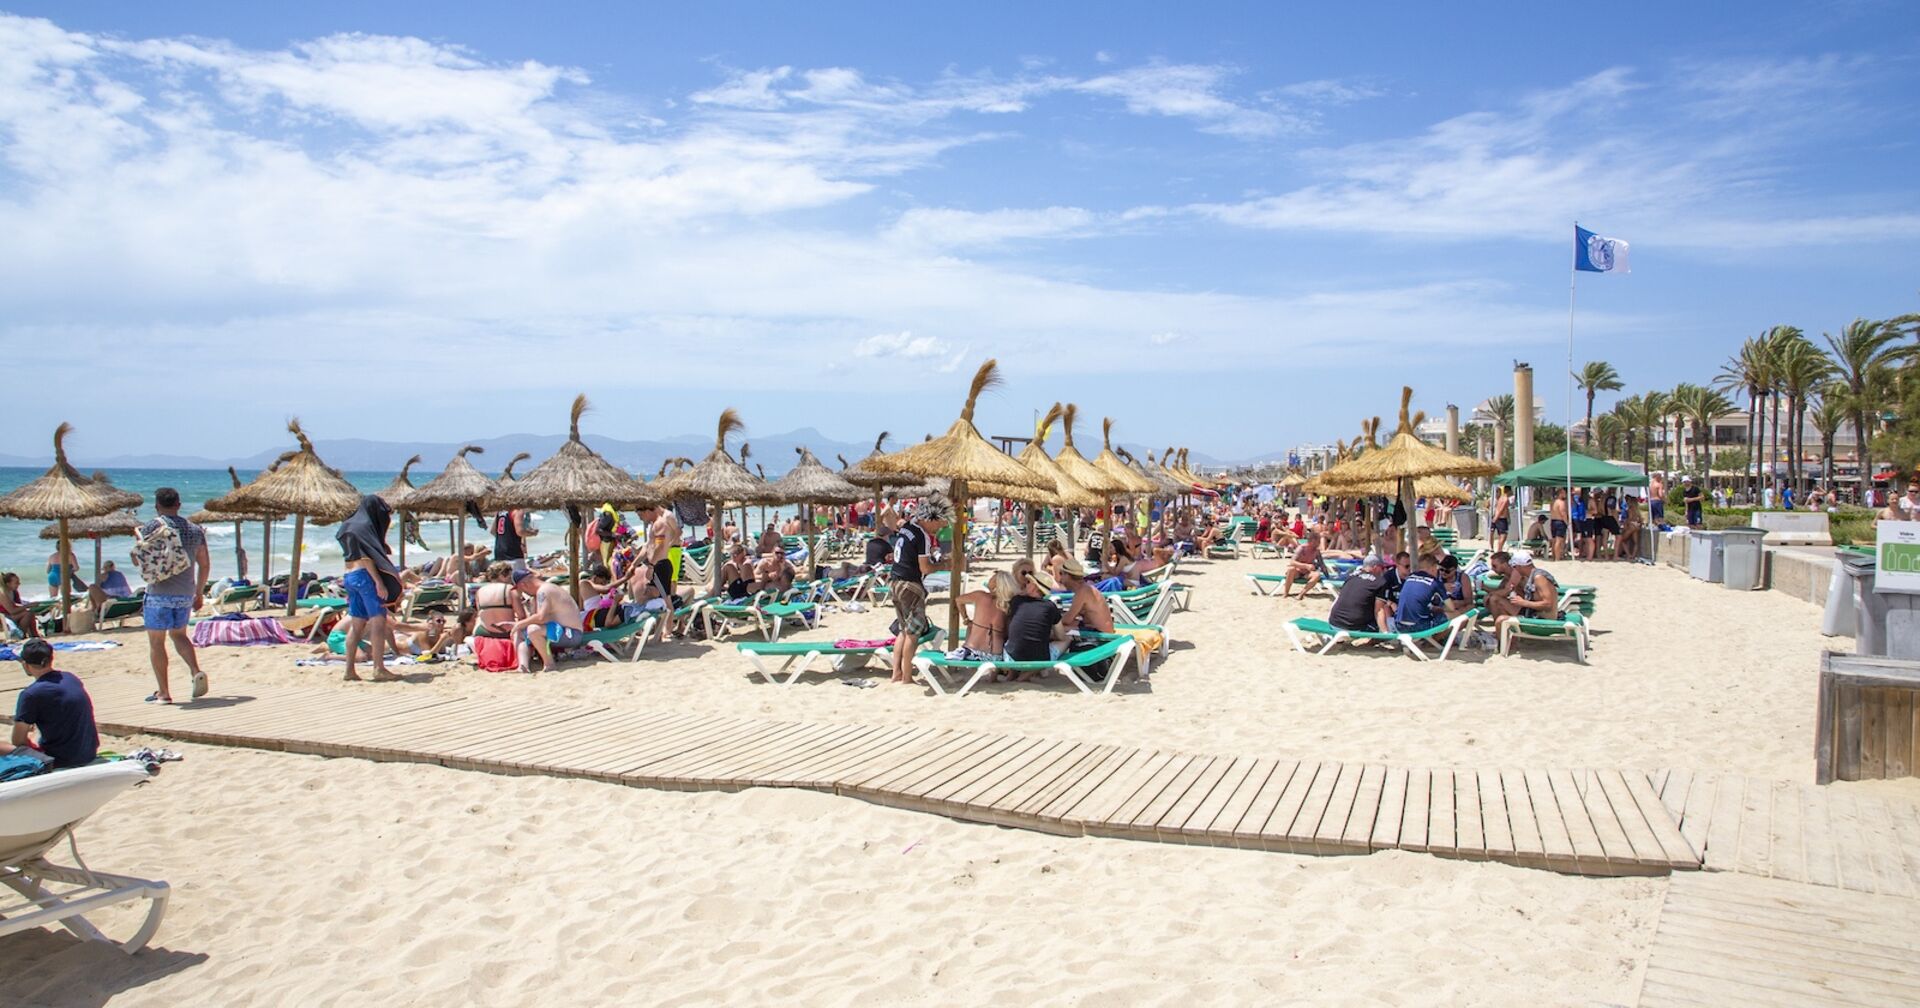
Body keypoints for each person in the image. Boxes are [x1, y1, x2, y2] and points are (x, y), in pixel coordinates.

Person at [139, 488, 210, 704]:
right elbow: (204, 564)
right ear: (179, 505)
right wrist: (199, 592)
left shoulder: (151, 527)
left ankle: (164, 693)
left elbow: (140, 560)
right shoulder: (195, 531)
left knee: (156, 642)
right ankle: (195, 671)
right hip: (185, 593)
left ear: (157, 506)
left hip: (159, 593)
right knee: (179, 635)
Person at [337, 494, 404, 684]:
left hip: (349, 576)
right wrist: (379, 582)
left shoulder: (348, 524)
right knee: (378, 621)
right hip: (365, 577)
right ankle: (378, 668)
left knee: (357, 624)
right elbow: (366, 556)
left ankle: (349, 670)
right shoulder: (364, 526)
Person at [887, 494, 950, 685]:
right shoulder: (923, 536)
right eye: (938, 525)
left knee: (903, 631)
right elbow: (925, 568)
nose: (938, 530)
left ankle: (896, 673)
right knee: (913, 633)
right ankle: (907, 677)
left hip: (895, 581)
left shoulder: (908, 526)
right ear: (931, 519)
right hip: (910, 585)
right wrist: (945, 565)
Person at [8, 639, 97, 770]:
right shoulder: (71, 678)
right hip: (89, 753)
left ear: (25, 665)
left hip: (59, 760)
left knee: (4, 748)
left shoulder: (31, 694)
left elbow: (18, 741)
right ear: (51, 659)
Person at [509, 568, 586, 673]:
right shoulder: (545, 589)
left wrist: (520, 624)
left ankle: (549, 664)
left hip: (572, 634)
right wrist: (518, 625)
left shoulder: (544, 591)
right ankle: (523, 666)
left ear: (524, 585)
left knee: (533, 630)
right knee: (520, 632)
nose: (524, 593)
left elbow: (541, 618)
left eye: (522, 590)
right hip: (561, 631)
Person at [636, 503, 683, 643]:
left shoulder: (660, 523)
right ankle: (656, 627)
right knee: (649, 594)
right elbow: (649, 546)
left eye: (641, 515)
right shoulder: (655, 524)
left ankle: (667, 631)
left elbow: (659, 546)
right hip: (659, 564)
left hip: (660, 565)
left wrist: (651, 565)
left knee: (666, 600)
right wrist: (634, 563)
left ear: (647, 511)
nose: (641, 519)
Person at [947, 570, 1013, 662]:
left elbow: (958, 600)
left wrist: (966, 618)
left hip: (973, 652)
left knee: (971, 627)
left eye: (992, 578)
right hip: (996, 655)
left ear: (995, 583)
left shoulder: (980, 596)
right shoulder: (1007, 605)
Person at [1327, 555, 1395, 634]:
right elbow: (1379, 611)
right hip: (1353, 628)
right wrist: (1385, 632)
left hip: (1334, 623)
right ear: (1375, 567)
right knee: (1380, 618)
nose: (1384, 571)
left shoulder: (1351, 577)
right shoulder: (1380, 582)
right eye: (1382, 568)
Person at [1491, 550, 1559, 628]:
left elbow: (1548, 604)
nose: (1514, 570)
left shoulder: (1539, 578)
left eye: (1514, 567)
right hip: (1534, 616)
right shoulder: (1532, 576)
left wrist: (1523, 602)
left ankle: (1502, 635)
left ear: (1519, 566)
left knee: (1501, 620)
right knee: (1499, 605)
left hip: (1544, 621)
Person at [1058, 556, 1115, 634]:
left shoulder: (1082, 592)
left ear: (1067, 575)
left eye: (1061, 574)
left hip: (1101, 634)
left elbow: (1067, 620)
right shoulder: (1086, 588)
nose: (1060, 579)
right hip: (1102, 630)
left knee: (1056, 630)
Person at [1393, 554, 1449, 633]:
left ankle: (1426, 639)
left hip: (1399, 625)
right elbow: (1451, 607)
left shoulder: (1409, 577)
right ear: (1433, 568)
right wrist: (1440, 609)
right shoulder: (1435, 582)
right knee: (1449, 616)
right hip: (1419, 626)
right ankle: (1434, 640)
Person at [472, 561, 526, 640]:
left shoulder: (480, 591)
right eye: (509, 577)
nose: (511, 580)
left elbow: (480, 613)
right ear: (501, 576)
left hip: (483, 631)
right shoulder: (510, 589)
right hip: (506, 632)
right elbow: (522, 616)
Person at [1279, 529, 1324, 598]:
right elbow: (1292, 562)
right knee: (1291, 569)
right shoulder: (1301, 548)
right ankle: (1286, 593)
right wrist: (1306, 566)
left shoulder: (1317, 551)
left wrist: (1328, 576)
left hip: (1307, 573)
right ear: (1312, 541)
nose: (1319, 543)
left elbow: (1322, 564)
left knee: (1317, 575)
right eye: (1318, 541)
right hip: (1297, 571)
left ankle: (1301, 594)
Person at [1, 572, 39, 638]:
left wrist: (32, 606)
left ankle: (33, 634)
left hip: (10, 615)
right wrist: (28, 605)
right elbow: (12, 611)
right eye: (16, 583)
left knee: (30, 612)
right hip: (4, 616)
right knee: (28, 613)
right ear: (8, 584)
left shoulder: (13, 592)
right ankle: (21, 634)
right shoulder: (2, 593)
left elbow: (15, 605)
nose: (19, 584)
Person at [1548, 490, 1570, 561]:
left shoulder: (1553, 502)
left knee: (1554, 540)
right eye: (1564, 493)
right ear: (1560, 494)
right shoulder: (1561, 502)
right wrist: (1567, 523)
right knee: (1559, 541)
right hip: (1560, 521)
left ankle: (1554, 556)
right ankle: (1557, 558)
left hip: (1553, 521)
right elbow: (1563, 513)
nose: (1565, 494)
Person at [1490, 487, 1512, 554]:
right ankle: (1499, 550)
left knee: (1500, 535)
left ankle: (1498, 549)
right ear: (1509, 491)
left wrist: (1508, 517)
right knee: (1503, 535)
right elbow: (1501, 509)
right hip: (1501, 519)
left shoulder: (1500, 498)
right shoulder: (1505, 499)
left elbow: (1505, 509)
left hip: (1498, 518)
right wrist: (1496, 518)